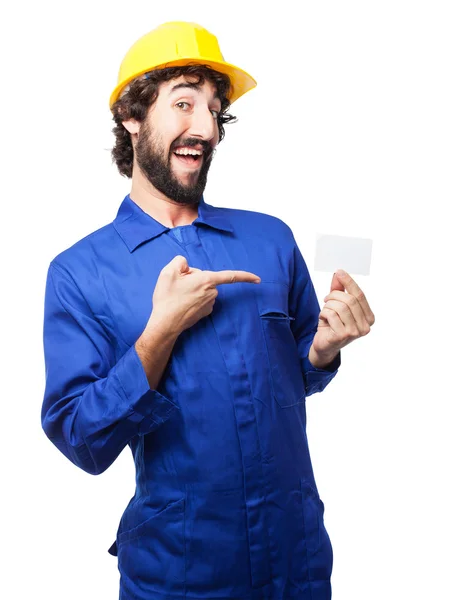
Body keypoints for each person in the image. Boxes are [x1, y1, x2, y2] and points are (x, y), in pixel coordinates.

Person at [41, 21, 375, 600]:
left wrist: (322, 349)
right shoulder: (79, 271)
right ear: (132, 117)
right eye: (184, 103)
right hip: (180, 572)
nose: (207, 127)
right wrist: (159, 333)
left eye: (215, 110)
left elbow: (292, 375)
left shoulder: (270, 239)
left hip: (296, 561)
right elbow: (81, 440)